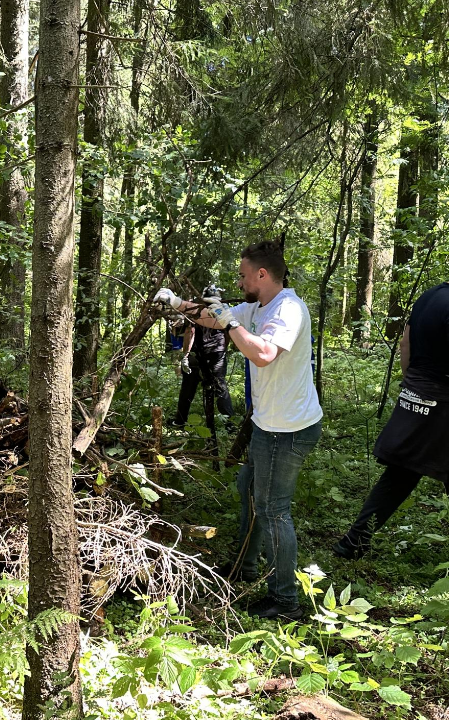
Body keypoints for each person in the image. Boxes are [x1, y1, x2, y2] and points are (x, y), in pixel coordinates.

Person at [154, 240, 323, 620]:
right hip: (269, 425)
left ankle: (286, 600)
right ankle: (244, 569)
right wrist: (178, 303)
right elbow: (215, 317)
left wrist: (230, 322)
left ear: (262, 274)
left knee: (273, 510)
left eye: (244, 274)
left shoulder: (289, 309)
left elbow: (262, 354)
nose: (240, 280)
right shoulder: (257, 307)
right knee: (248, 490)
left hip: (288, 429)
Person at [334, 237, 449, 563]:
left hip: (418, 403)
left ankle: (352, 544)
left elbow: (405, 345)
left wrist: (415, 385)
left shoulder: (431, 297)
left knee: (400, 474)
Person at [173, 287, 235, 428]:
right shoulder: (222, 311)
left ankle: (180, 421)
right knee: (220, 386)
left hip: (200, 353)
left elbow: (190, 332)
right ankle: (230, 425)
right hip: (214, 353)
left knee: (188, 387)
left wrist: (186, 355)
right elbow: (228, 333)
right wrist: (223, 349)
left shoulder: (197, 310)